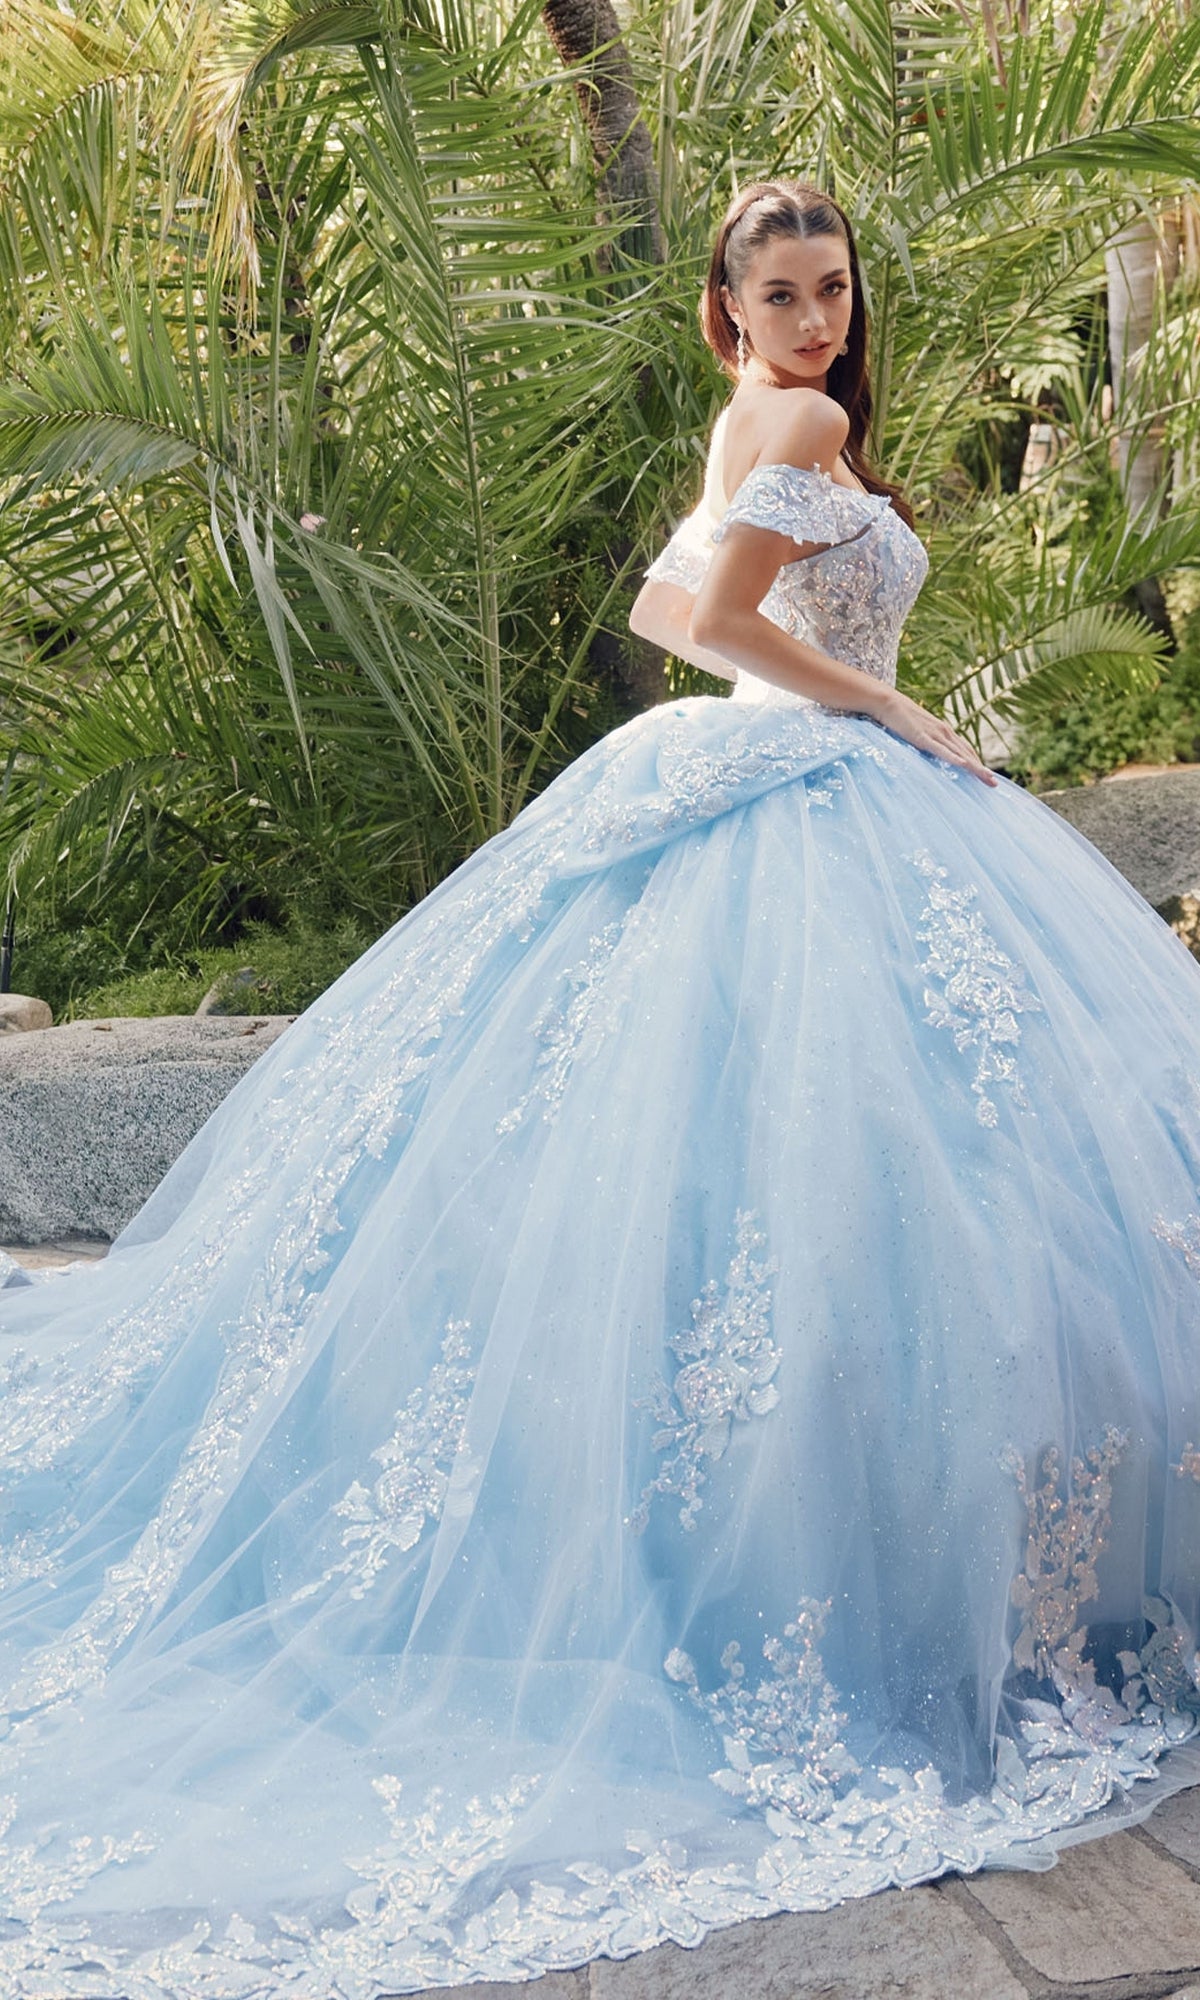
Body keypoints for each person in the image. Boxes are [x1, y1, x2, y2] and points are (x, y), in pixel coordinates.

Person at [1, 177, 1200, 1999]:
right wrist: (890, 708)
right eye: (781, 295)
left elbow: (668, 604)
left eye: (832, 285)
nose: (815, 318)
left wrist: (836, 692)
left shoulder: (763, 422)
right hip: (824, 787)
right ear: (730, 314)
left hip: (783, 788)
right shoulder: (798, 426)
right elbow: (708, 614)